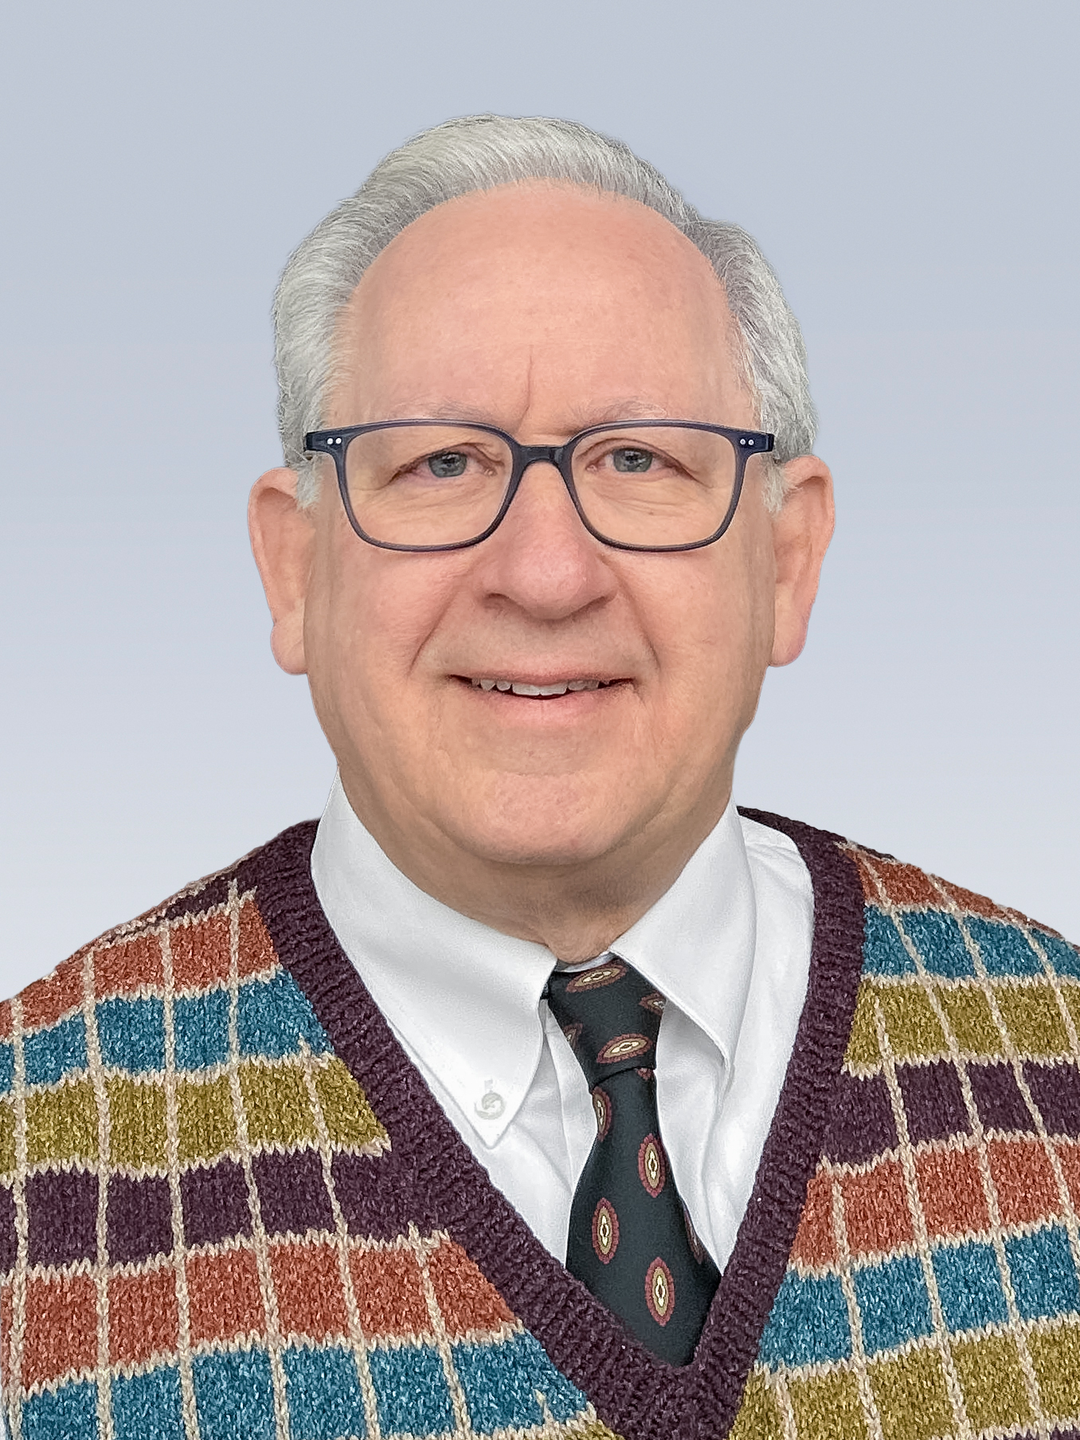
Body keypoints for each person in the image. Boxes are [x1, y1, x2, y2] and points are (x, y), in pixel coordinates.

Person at [2, 115, 1078, 1440]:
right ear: (294, 569)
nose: (548, 574)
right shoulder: (31, 1157)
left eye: (639, 459)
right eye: (442, 463)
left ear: (788, 563)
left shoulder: (1059, 1052)